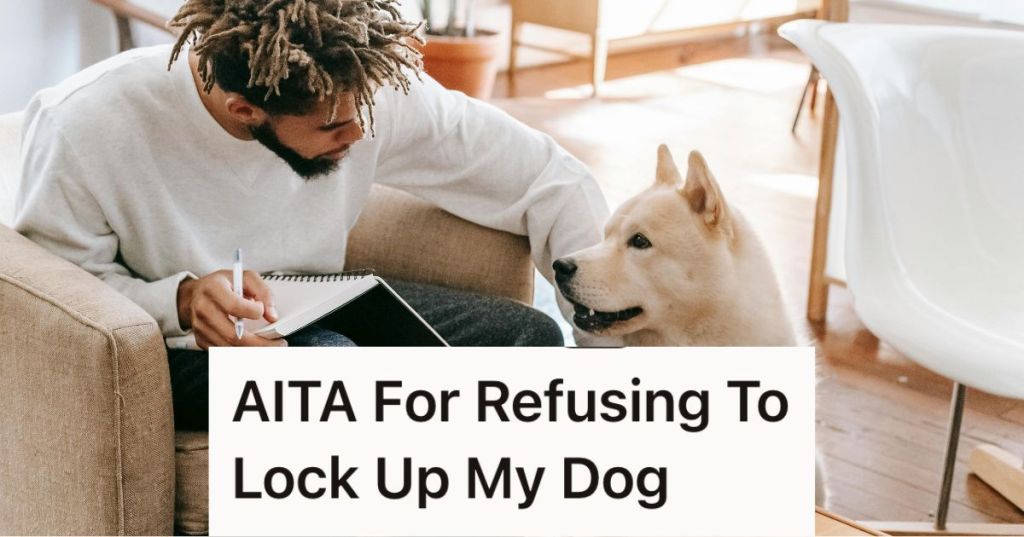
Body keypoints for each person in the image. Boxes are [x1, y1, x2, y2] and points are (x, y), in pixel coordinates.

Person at [14, 0, 610, 429]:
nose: (358, 134)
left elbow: (549, 176)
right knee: (331, 377)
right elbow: (53, 307)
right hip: (170, 349)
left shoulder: (362, 88)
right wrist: (184, 299)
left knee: (526, 339)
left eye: (363, 113)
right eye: (331, 127)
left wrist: (604, 352)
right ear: (245, 110)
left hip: (317, 298)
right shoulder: (86, 122)